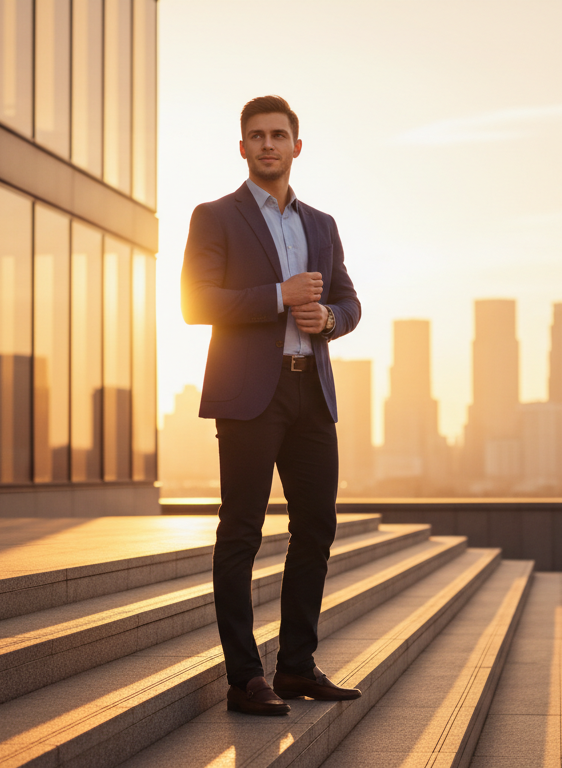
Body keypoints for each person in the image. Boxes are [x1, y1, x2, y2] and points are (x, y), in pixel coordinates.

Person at [181, 95, 363, 716]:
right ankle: (243, 678)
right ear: (242, 148)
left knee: (315, 529)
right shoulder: (215, 217)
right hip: (249, 397)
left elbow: (350, 304)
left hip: (310, 392)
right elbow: (195, 303)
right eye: (256, 136)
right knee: (241, 533)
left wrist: (328, 317)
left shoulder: (321, 225)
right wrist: (278, 297)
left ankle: (295, 667)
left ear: (296, 147)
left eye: (278, 135)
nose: (267, 144)